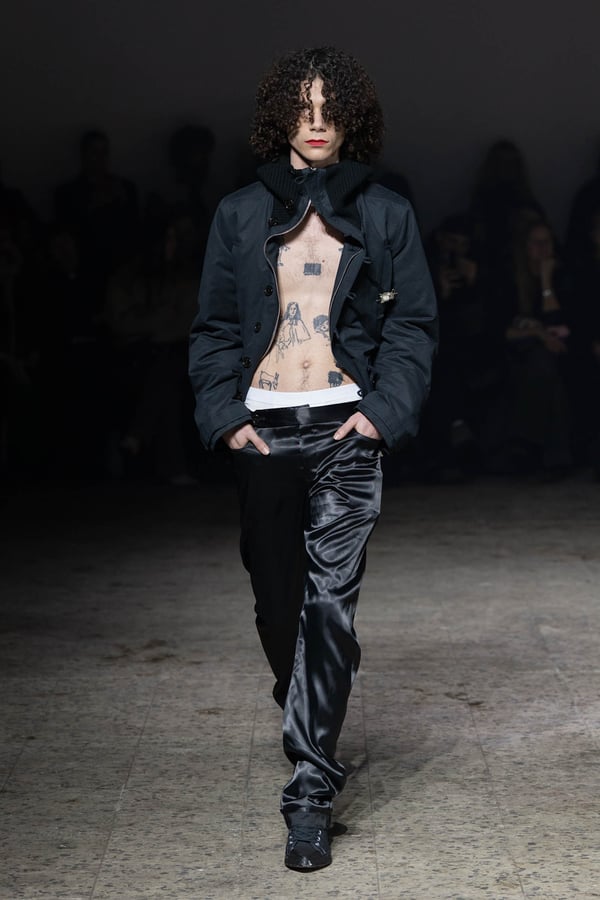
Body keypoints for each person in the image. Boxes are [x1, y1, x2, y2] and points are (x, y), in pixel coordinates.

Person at [188, 47, 438, 871]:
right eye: (304, 106)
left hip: (343, 431)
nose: (319, 121)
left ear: (352, 116)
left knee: (330, 608)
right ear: (281, 116)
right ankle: (306, 701)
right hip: (263, 429)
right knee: (278, 606)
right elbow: (214, 328)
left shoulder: (387, 213)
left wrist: (381, 416)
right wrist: (225, 419)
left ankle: (308, 792)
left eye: (332, 107)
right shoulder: (237, 214)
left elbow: (413, 327)